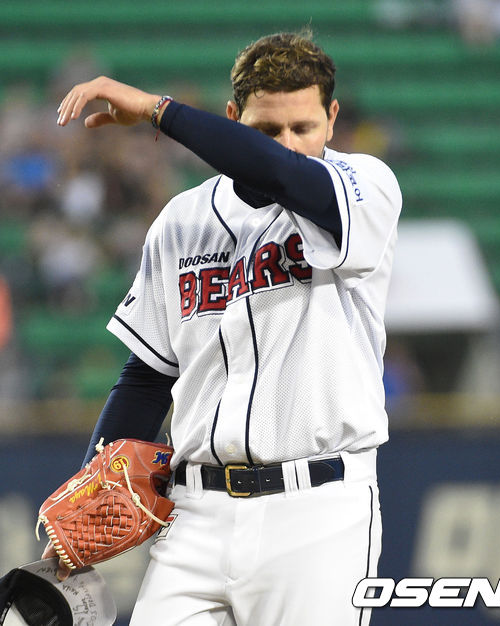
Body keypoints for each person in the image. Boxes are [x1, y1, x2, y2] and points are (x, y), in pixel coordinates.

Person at [45, 31, 402, 625]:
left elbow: (283, 174)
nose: (289, 144)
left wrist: (159, 111)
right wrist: (82, 518)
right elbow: (147, 377)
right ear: (233, 118)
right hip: (195, 516)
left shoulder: (363, 187)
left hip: (317, 513)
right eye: (267, 129)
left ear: (333, 118)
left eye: (304, 127)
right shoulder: (182, 219)